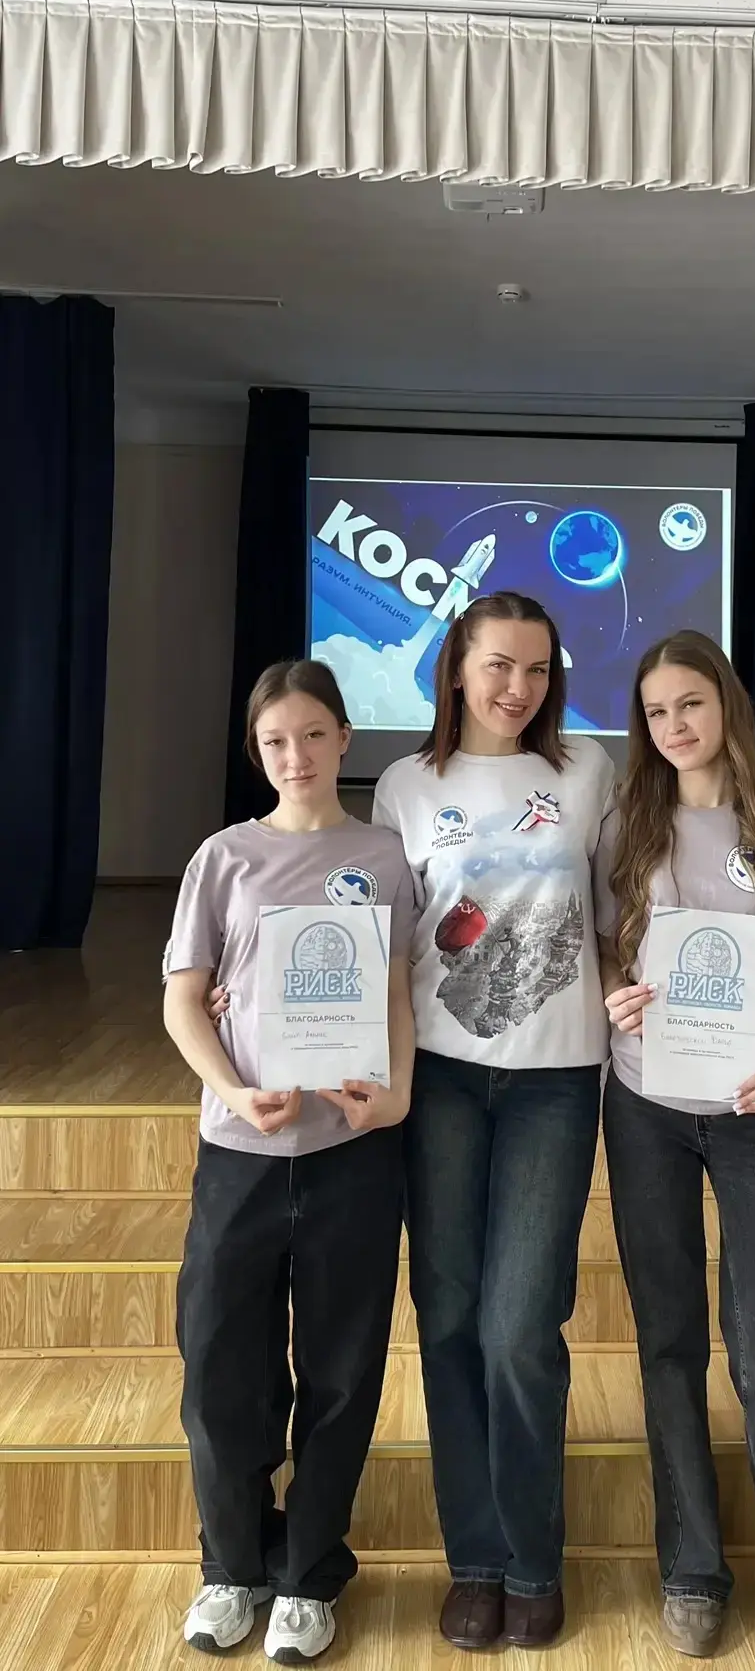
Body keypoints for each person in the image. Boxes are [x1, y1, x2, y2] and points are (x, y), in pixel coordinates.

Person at [594, 630, 755, 1670]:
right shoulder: (623, 828)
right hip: (645, 1106)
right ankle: (692, 1567)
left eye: (690, 703)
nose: (674, 726)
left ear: (726, 705)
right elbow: (602, 954)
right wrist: (614, 996)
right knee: (669, 1344)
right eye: (655, 712)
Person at [372, 590, 615, 1651]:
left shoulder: (587, 772)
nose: (519, 687)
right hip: (439, 1078)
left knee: (519, 1327)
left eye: (538, 668)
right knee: (450, 1316)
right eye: (499, 666)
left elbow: (624, 907)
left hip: (555, 1081)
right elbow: (386, 940)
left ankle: (533, 1558)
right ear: (457, 668)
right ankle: (475, 1560)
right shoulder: (406, 785)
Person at [163, 659, 417, 1663]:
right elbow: (184, 1000)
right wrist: (234, 1092)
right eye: (275, 741)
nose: (296, 755)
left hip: (353, 1153)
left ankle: (310, 1576)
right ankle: (231, 1566)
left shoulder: (386, 856)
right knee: (223, 1367)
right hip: (242, 1154)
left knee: (343, 1371)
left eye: (314, 734)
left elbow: (394, 991)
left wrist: (397, 1094)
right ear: (256, 751)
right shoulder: (223, 857)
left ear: (345, 738)